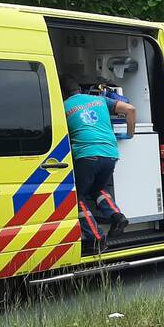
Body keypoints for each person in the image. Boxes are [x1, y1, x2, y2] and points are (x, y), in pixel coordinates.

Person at [61, 74, 134, 253]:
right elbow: (130, 109)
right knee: (98, 189)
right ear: (81, 89)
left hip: (87, 156)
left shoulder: (63, 107)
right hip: (110, 154)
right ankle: (117, 216)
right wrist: (130, 134)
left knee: (77, 197)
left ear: (63, 93)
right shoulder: (100, 100)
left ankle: (96, 237)